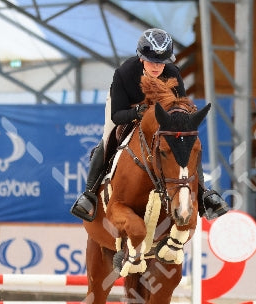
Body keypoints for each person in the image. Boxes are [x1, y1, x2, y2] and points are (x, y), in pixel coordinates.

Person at [70, 27, 229, 222]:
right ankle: (89, 194)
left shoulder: (172, 72)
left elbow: (180, 104)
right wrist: (137, 112)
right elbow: (117, 115)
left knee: (189, 140)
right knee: (108, 136)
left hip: (160, 115)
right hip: (127, 109)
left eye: (161, 63)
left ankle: (204, 194)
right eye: (152, 62)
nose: (157, 67)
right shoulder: (124, 74)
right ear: (141, 58)